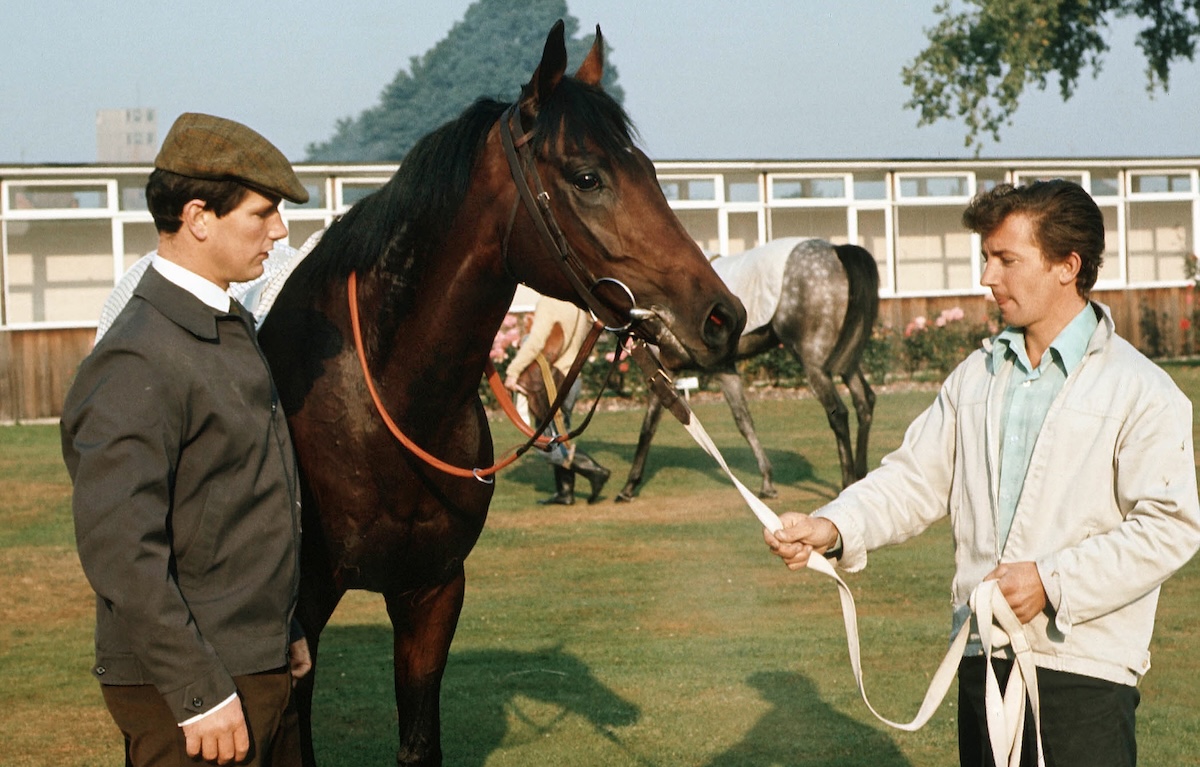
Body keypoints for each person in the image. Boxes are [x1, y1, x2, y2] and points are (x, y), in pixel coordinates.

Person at [762, 179, 1200, 767]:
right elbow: (913, 480)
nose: (987, 277)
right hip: (981, 661)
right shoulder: (975, 378)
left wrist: (1050, 581)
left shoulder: (1142, 390)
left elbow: (1170, 527)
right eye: (986, 258)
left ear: (1067, 266)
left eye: (1006, 259)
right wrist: (832, 526)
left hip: (1085, 675)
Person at [61, 113, 312, 767]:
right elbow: (122, 550)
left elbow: (235, 502)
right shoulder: (139, 356)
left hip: (251, 660)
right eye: (263, 213)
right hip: (194, 689)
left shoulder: (222, 326)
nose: (280, 232)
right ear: (199, 216)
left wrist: (280, 626)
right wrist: (198, 692)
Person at [504, 295, 611, 505]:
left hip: (554, 380)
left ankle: (594, 471)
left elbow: (536, 342)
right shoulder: (580, 304)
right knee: (559, 436)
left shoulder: (550, 303)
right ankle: (565, 493)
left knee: (542, 441)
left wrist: (513, 371)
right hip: (572, 378)